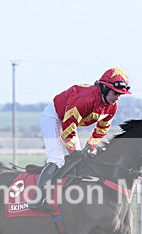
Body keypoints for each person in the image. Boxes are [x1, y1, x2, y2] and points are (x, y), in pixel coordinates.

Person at [28, 67, 132, 212]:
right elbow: (67, 128)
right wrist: (73, 150)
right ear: (104, 88)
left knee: (79, 160)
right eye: (115, 93)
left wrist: (90, 147)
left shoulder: (112, 107)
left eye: (120, 95)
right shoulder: (85, 99)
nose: (117, 98)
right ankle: (37, 199)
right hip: (54, 117)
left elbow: (102, 129)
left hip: (68, 123)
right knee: (57, 159)